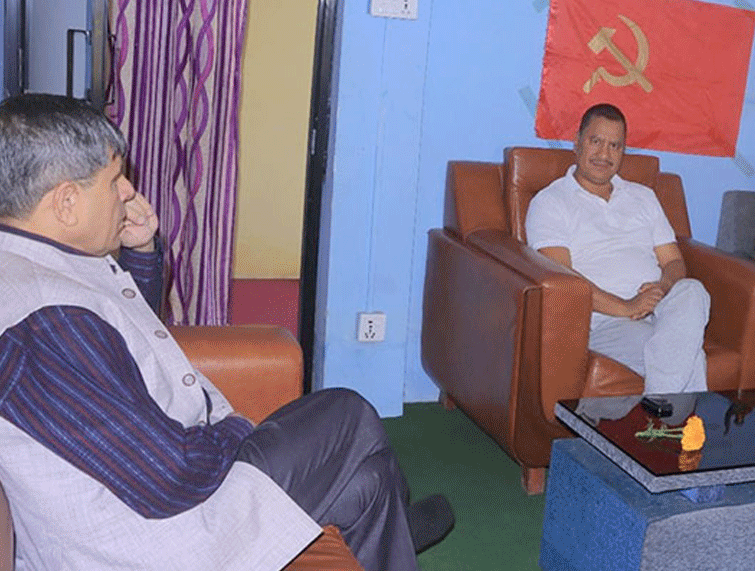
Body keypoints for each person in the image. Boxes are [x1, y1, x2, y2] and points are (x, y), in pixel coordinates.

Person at [0, 94, 452, 570]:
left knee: (367, 483)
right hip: (154, 538)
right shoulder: (44, 328)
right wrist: (238, 428)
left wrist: (140, 252)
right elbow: (168, 477)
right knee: (346, 413)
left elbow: (125, 341)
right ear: (66, 202)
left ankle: (390, 525)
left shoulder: (36, 263)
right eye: (114, 181)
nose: (129, 191)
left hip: (158, 500)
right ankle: (393, 521)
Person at [525, 103, 709, 394]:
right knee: (690, 357)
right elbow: (563, 278)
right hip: (604, 321)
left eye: (615, 146)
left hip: (661, 309)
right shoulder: (550, 202)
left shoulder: (644, 196)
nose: (604, 154)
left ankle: (661, 408)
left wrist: (662, 287)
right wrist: (627, 307)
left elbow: (673, 262)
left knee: (693, 291)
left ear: (623, 151)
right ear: (577, 142)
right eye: (596, 141)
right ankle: (666, 413)